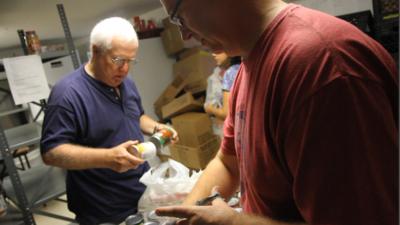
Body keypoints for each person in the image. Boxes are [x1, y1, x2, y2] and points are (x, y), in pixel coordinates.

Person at [156, 1, 398, 225]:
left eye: (178, 18)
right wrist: (185, 217)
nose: (184, 35)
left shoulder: (320, 66)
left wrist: (235, 222)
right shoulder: (248, 65)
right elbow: (228, 163)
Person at [40, 17, 177, 225]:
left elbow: (136, 116)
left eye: (130, 61)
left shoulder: (126, 82)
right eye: (118, 60)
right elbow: (51, 153)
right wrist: (108, 158)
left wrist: (157, 127)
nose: (125, 69)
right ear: (95, 51)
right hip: (102, 209)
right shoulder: (67, 94)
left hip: (140, 191)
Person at [204, 52, 231, 136]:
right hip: (221, 129)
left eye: (218, 49)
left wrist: (212, 110)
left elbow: (226, 114)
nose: (213, 54)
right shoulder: (213, 78)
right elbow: (207, 106)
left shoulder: (236, 72)